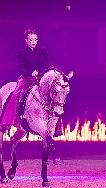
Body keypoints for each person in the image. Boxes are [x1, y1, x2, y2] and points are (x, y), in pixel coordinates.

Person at [0, 29, 62, 165]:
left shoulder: (42, 52)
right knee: (16, 95)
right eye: (31, 40)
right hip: (26, 79)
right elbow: (20, 68)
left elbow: (46, 67)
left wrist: (42, 74)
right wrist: (30, 73)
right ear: (26, 41)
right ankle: (8, 119)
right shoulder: (21, 53)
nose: (33, 42)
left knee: (55, 98)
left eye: (35, 40)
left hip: (40, 79)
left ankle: (56, 127)